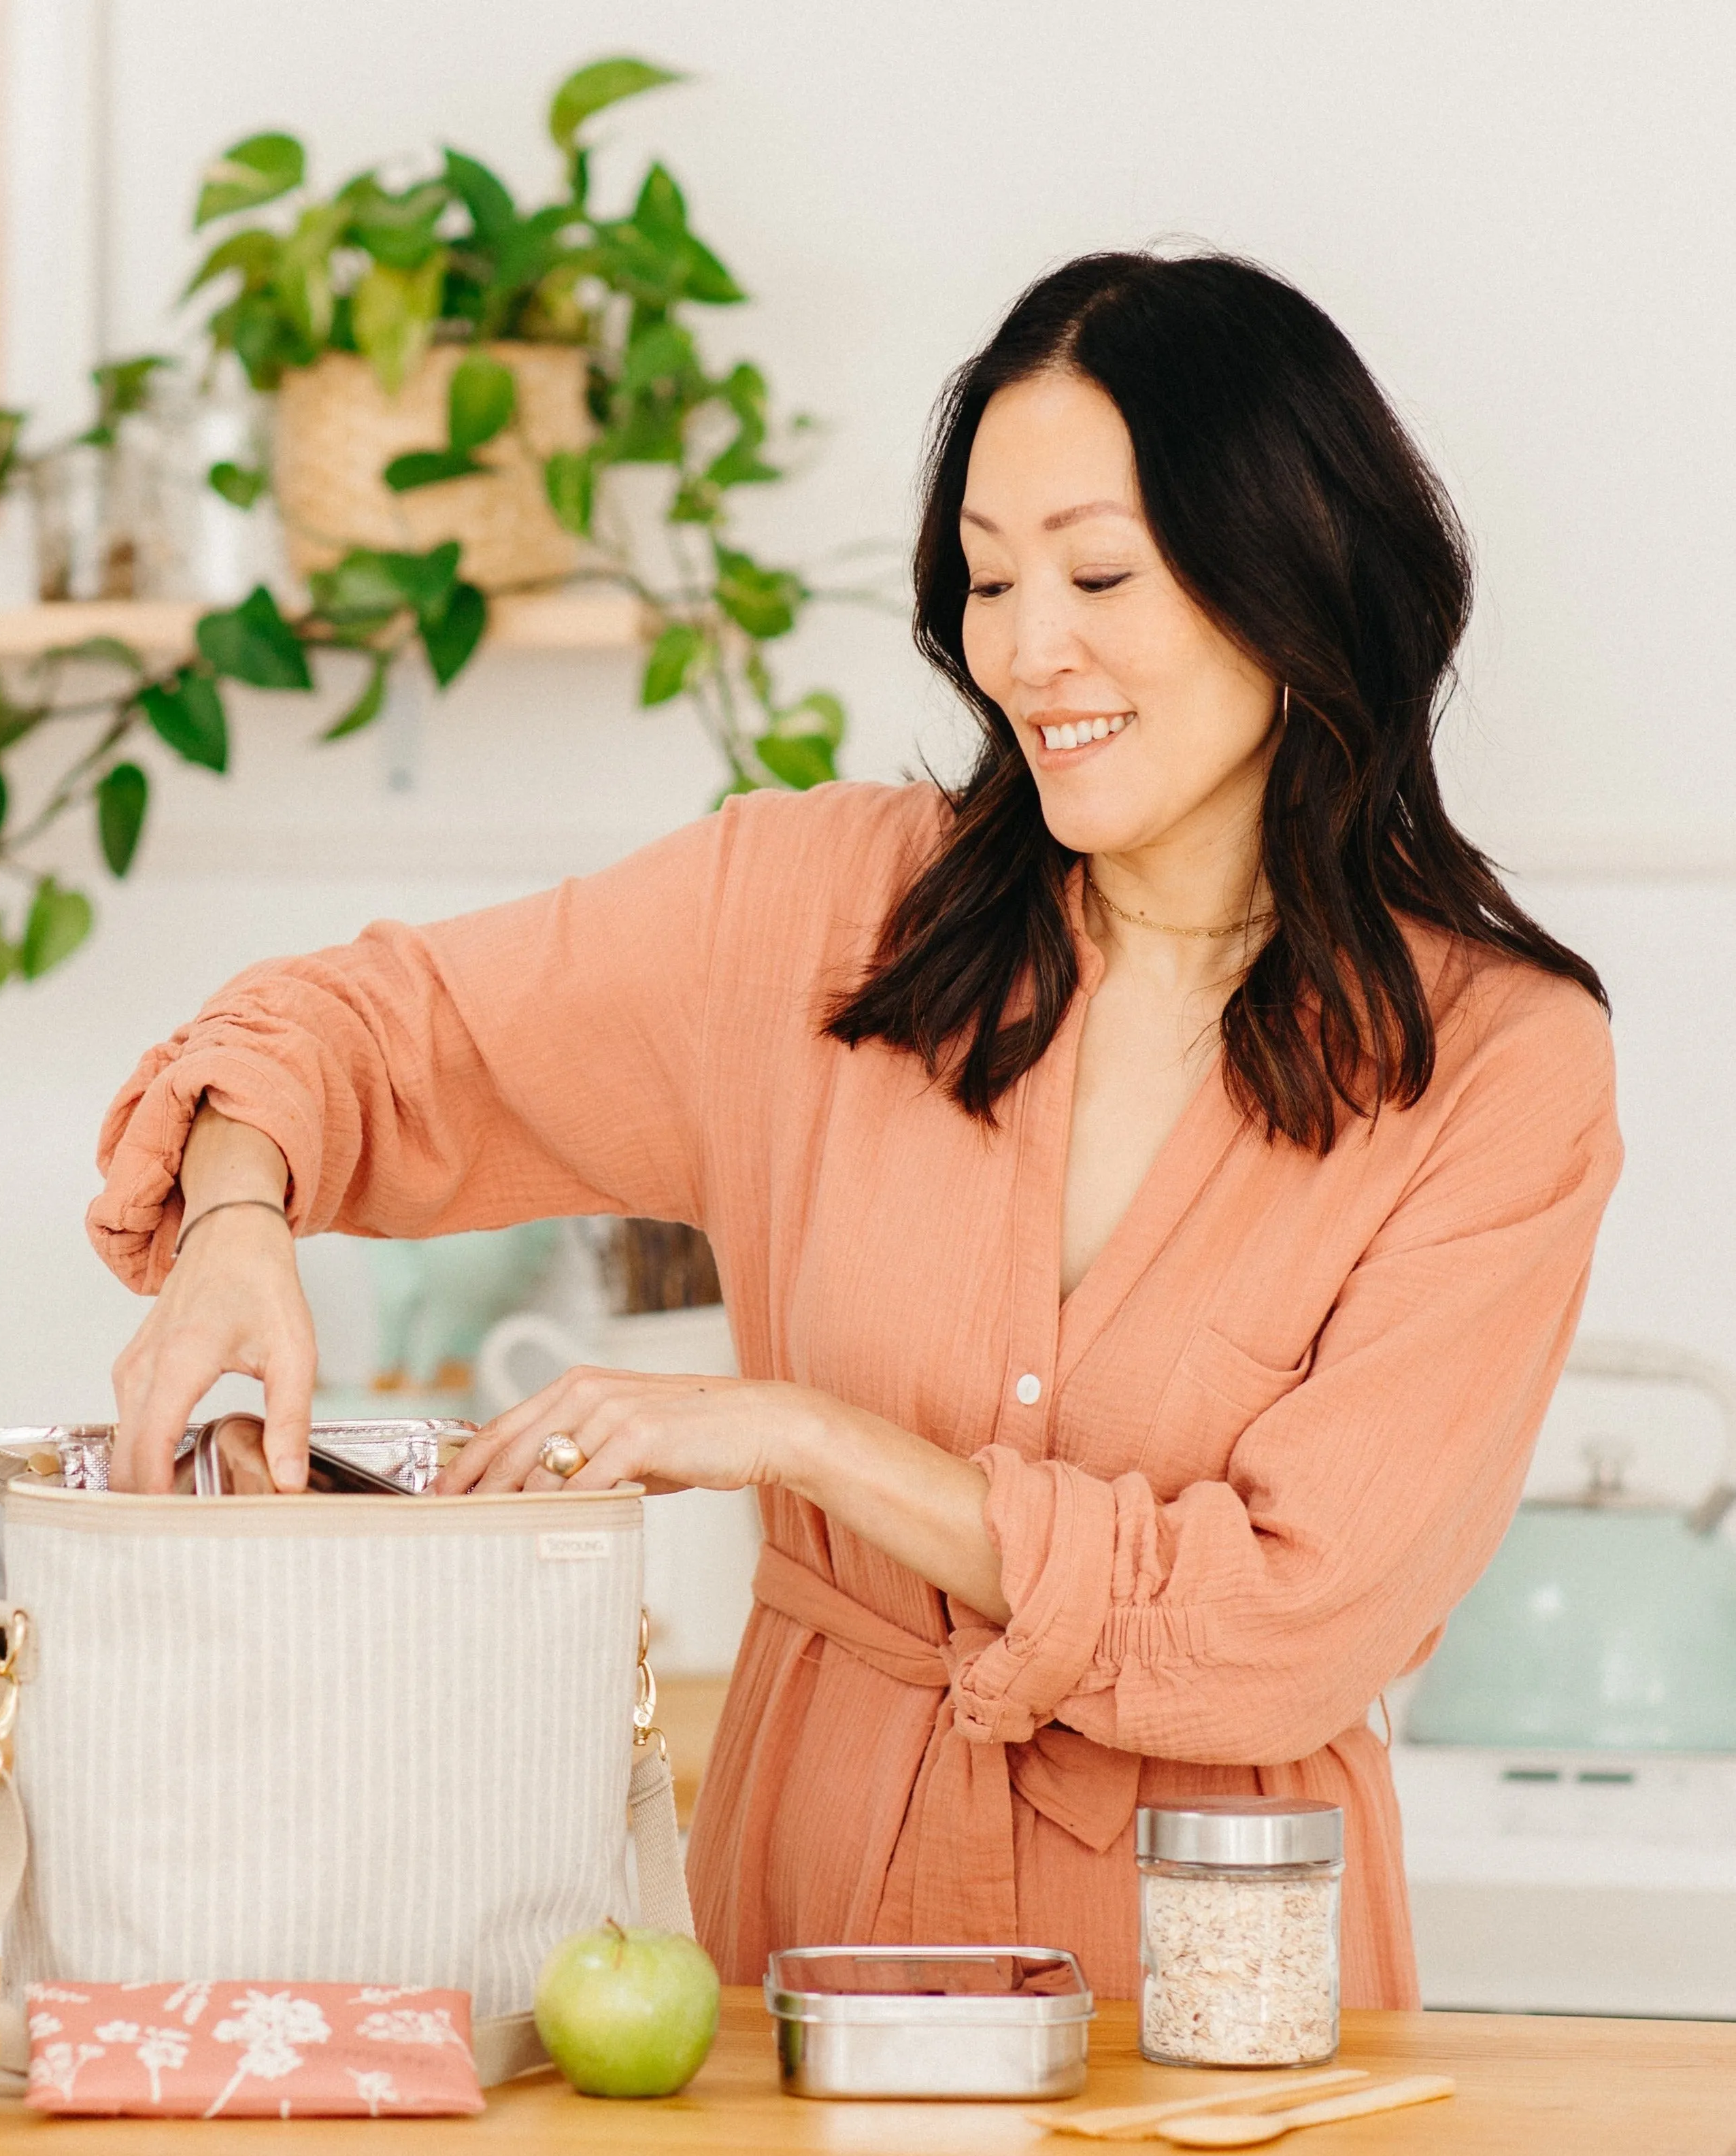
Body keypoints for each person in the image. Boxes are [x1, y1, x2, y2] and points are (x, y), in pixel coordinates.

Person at [86, 251, 1618, 2003]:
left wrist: (803, 1440)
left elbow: (1281, 1625)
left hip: (1219, 2006)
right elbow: (356, 1031)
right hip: (804, 1945)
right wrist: (231, 1221)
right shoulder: (815, 917)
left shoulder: (1501, 1069)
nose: (1031, 649)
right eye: (986, 580)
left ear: (1293, 577)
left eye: (1100, 571)